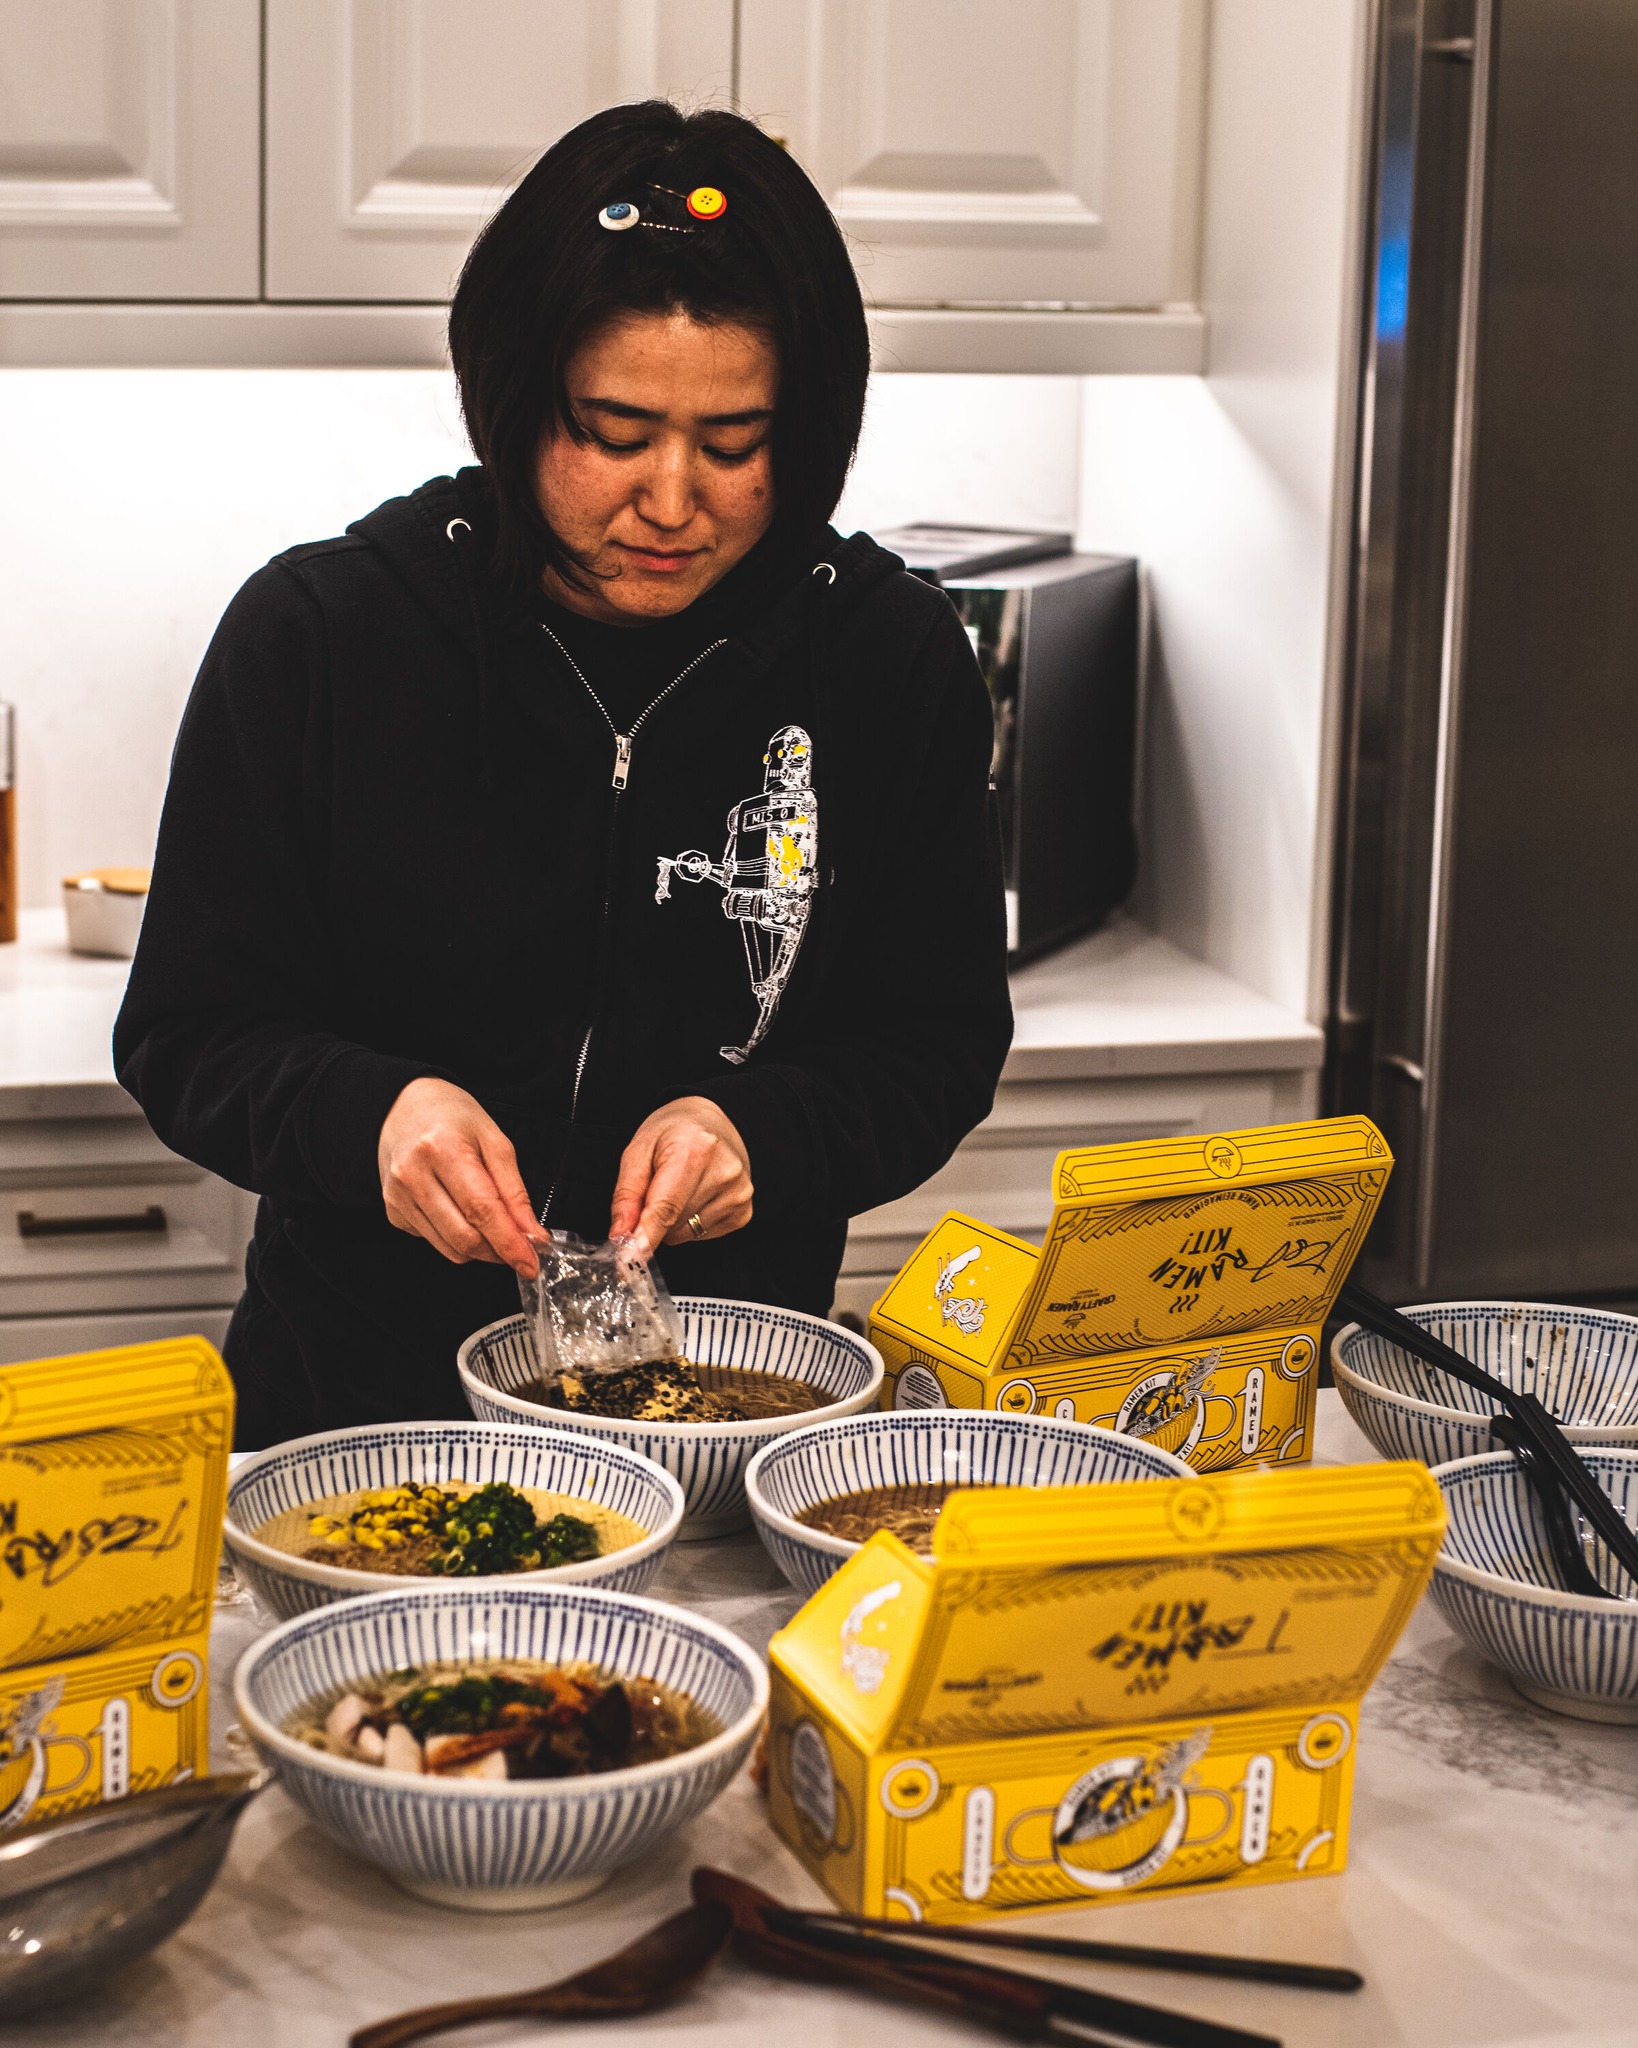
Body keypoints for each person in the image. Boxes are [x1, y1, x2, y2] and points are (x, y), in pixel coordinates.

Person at [115, 101, 1012, 1448]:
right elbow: (188, 1031)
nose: (673, 501)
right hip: (355, 1414)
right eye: (613, 432)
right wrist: (373, 1116)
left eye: (734, 444)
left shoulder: (887, 659)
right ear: (516, 399)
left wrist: (764, 1131)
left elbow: (935, 1043)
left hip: (721, 1414)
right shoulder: (324, 636)